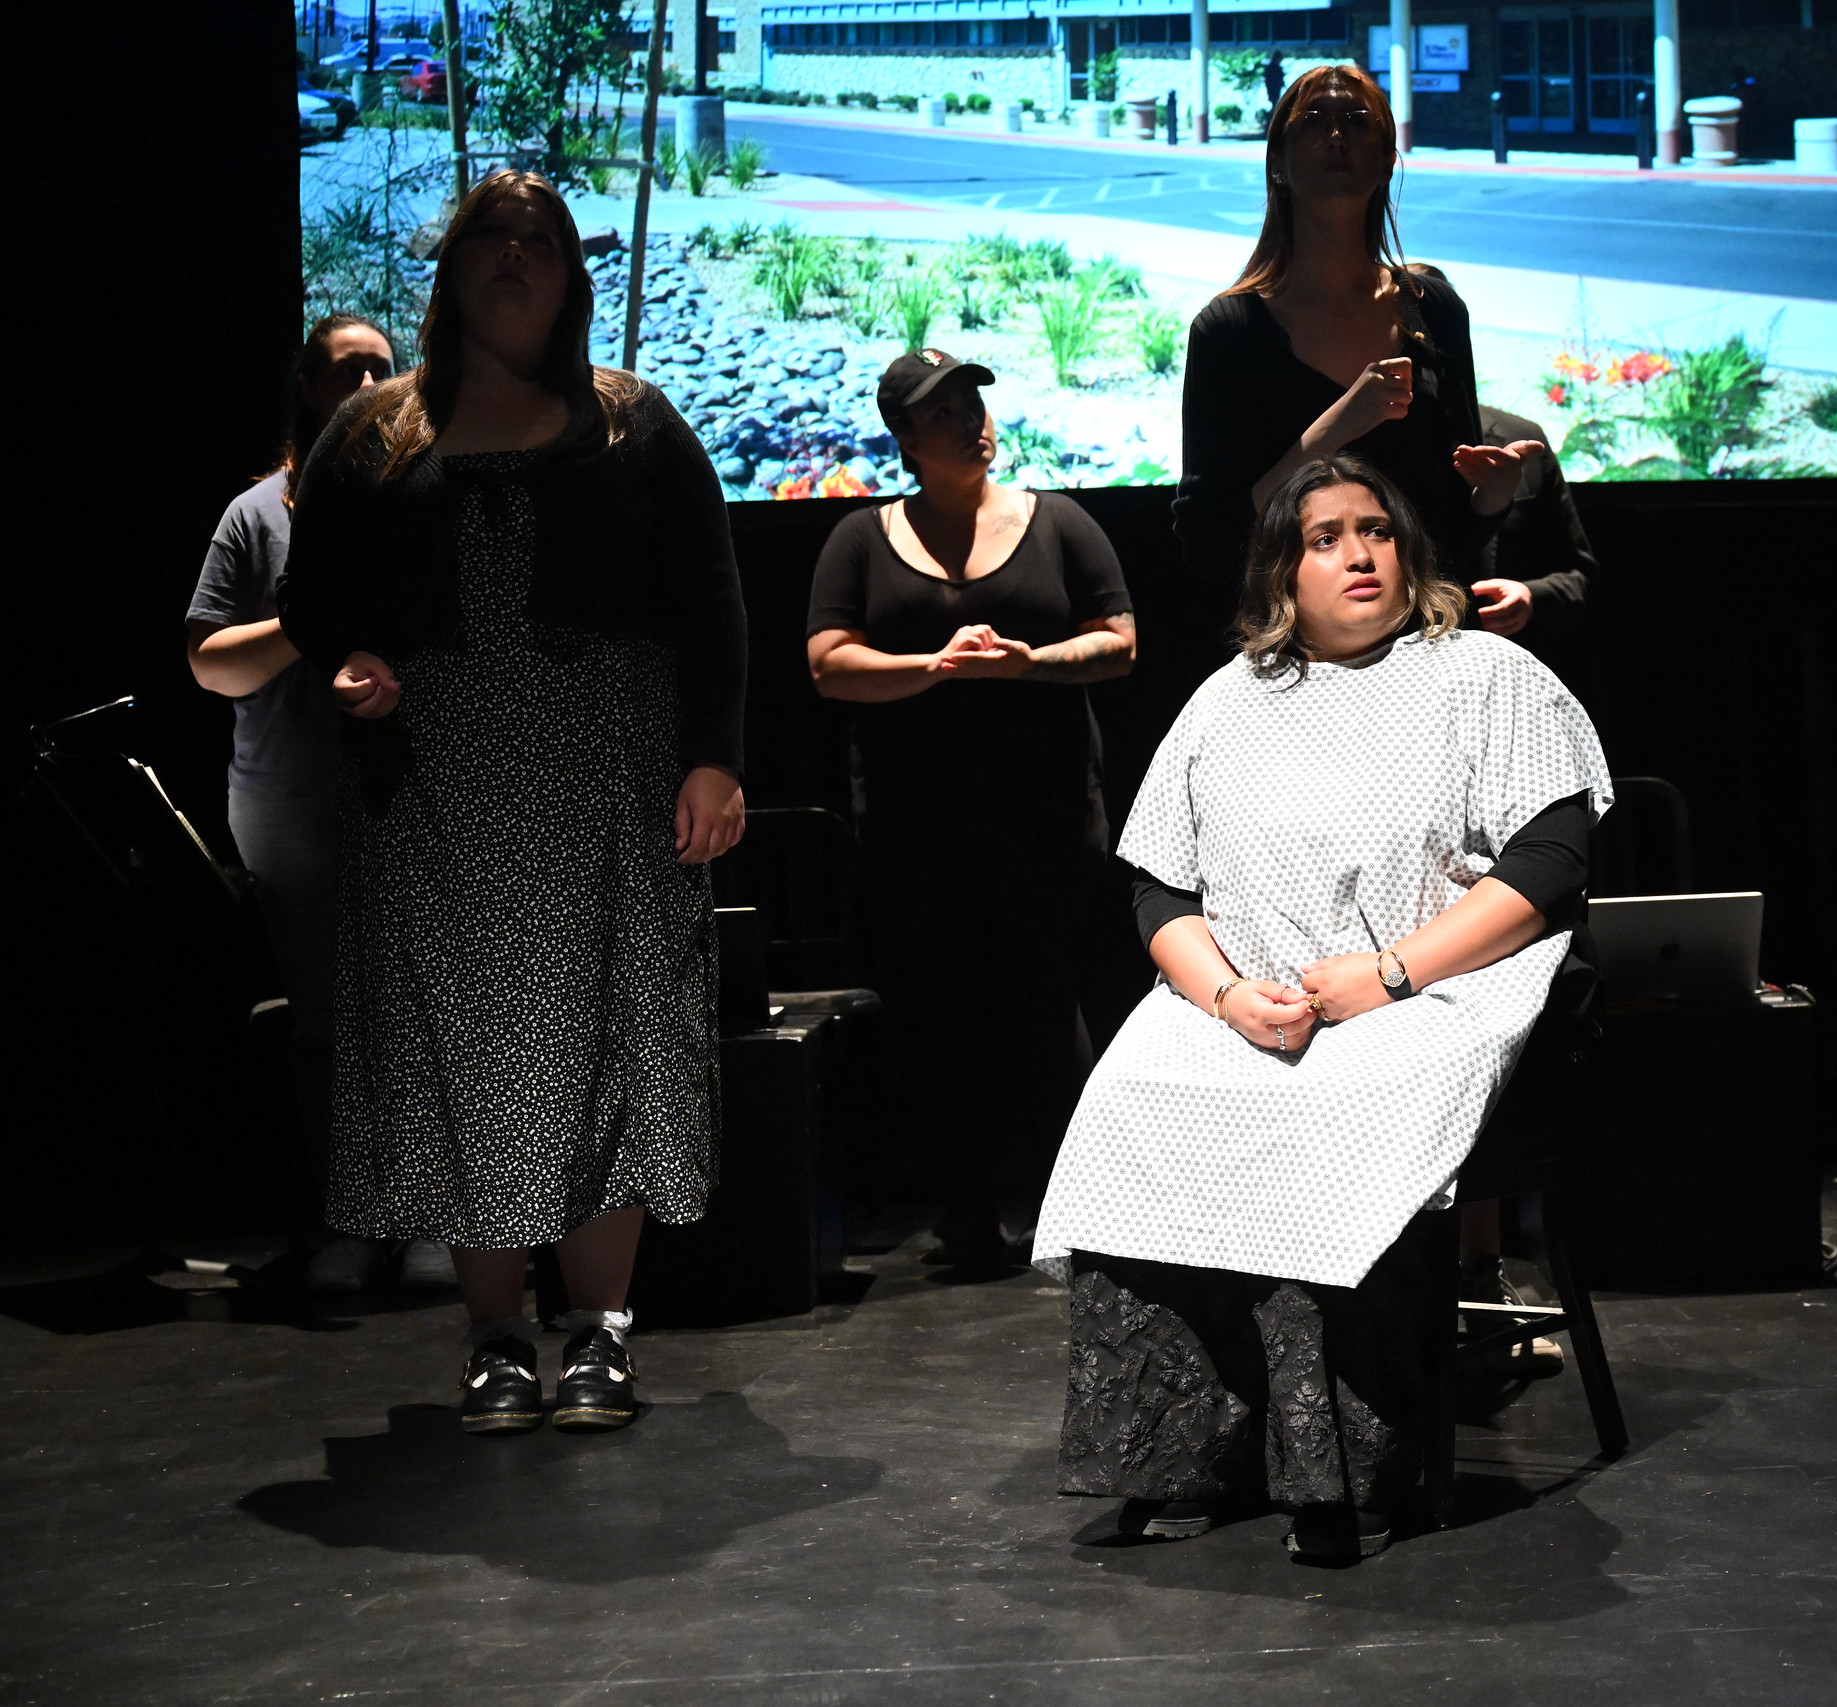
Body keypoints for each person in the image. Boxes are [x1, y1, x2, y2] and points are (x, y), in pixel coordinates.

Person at [1032, 456, 1612, 1561]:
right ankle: (1182, 1451)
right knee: (1135, 1096)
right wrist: (1225, 995)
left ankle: (1343, 1472)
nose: (1358, 554)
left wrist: (1389, 975)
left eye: (1376, 531)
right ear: (1280, 574)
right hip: (1253, 1001)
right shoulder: (1228, 700)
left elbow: (1550, 863)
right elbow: (1159, 889)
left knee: (1332, 1112)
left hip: (1432, 992)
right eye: (1325, 537)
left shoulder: (1484, 674)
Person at [279, 170, 748, 1435]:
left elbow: (711, 602)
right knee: (462, 1051)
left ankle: (598, 1333)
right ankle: (495, 1338)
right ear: (452, 269)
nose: (516, 259)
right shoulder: (374, 431)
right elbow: (314, 596)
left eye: (540, 242)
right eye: (493, 237)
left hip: (608, 781)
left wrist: (714, 758)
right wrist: (349, 661)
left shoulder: (630, 423)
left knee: (610, 1042)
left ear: (570, 279)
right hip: (437, 789)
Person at [806, 350, 1136, 1271]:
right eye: (943, 412)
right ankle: (966, 1215)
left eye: (973, 404)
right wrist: (936, 666)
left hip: (1045, 811)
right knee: (943, 1015)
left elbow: (1120, 643)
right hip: (916, 824)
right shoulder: (862, 538)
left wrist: (1028, 663)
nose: (970, 422)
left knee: (1047, 1007)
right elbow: (828, 664)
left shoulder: (1057, 521)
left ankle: (1084, 1214)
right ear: (905, 438)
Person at [188, 313, 458, 1295]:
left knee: (425, 1007)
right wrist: (304, 629)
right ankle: (350, 1220)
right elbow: (209, 663)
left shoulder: (428, 498)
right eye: (351, 370)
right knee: (326, 1020)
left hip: (417, 789)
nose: (371, 385)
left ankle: (428, 1218)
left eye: (386, 369)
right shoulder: (256, 515)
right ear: (306, 385)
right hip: (290, 796)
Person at [1171, 64, 1541, 600]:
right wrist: (1332, 430)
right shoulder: (1228, 332)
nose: (1335, 135)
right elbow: (1209, 545)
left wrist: (1494, 494)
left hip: (1427, 626)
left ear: (1388, 162)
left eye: (1356, 121)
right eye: (1313, 121)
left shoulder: (1433, 308)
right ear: (1277, 163)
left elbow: (1451, 537)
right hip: (1295, 635)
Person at [1396, 265, 1598, 650]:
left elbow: (1578, 574)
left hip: (1507, 664)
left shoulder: (1521, 438)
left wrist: (1531, 595)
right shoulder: (1357, 450)